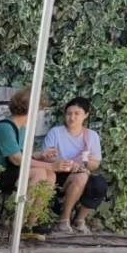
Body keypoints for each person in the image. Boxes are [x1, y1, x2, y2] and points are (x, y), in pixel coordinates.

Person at [42, 96, 108, 233]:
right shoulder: (56, 133)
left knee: (99, 184)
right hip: (58, 174)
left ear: (86, 115)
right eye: (69, 113)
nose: (72, 117)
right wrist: (68, 164)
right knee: (82, 176)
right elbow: (47, 157)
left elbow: (95, 163)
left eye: (77, 114)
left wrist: (84, 163)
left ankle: (79, 219)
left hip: (81, 172)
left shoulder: (92, 136)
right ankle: (64, 219)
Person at [0, 87, 58, 197]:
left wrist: (40, 155)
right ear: (32, 110)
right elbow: (17, 160)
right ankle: (25, 213)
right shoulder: (5, 128)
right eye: (39, 109)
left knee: (50, 175)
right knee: (39, 173)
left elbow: (21, 155)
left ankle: (34, 215)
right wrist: (51, 166)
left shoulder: (22, 128)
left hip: (7, 170)